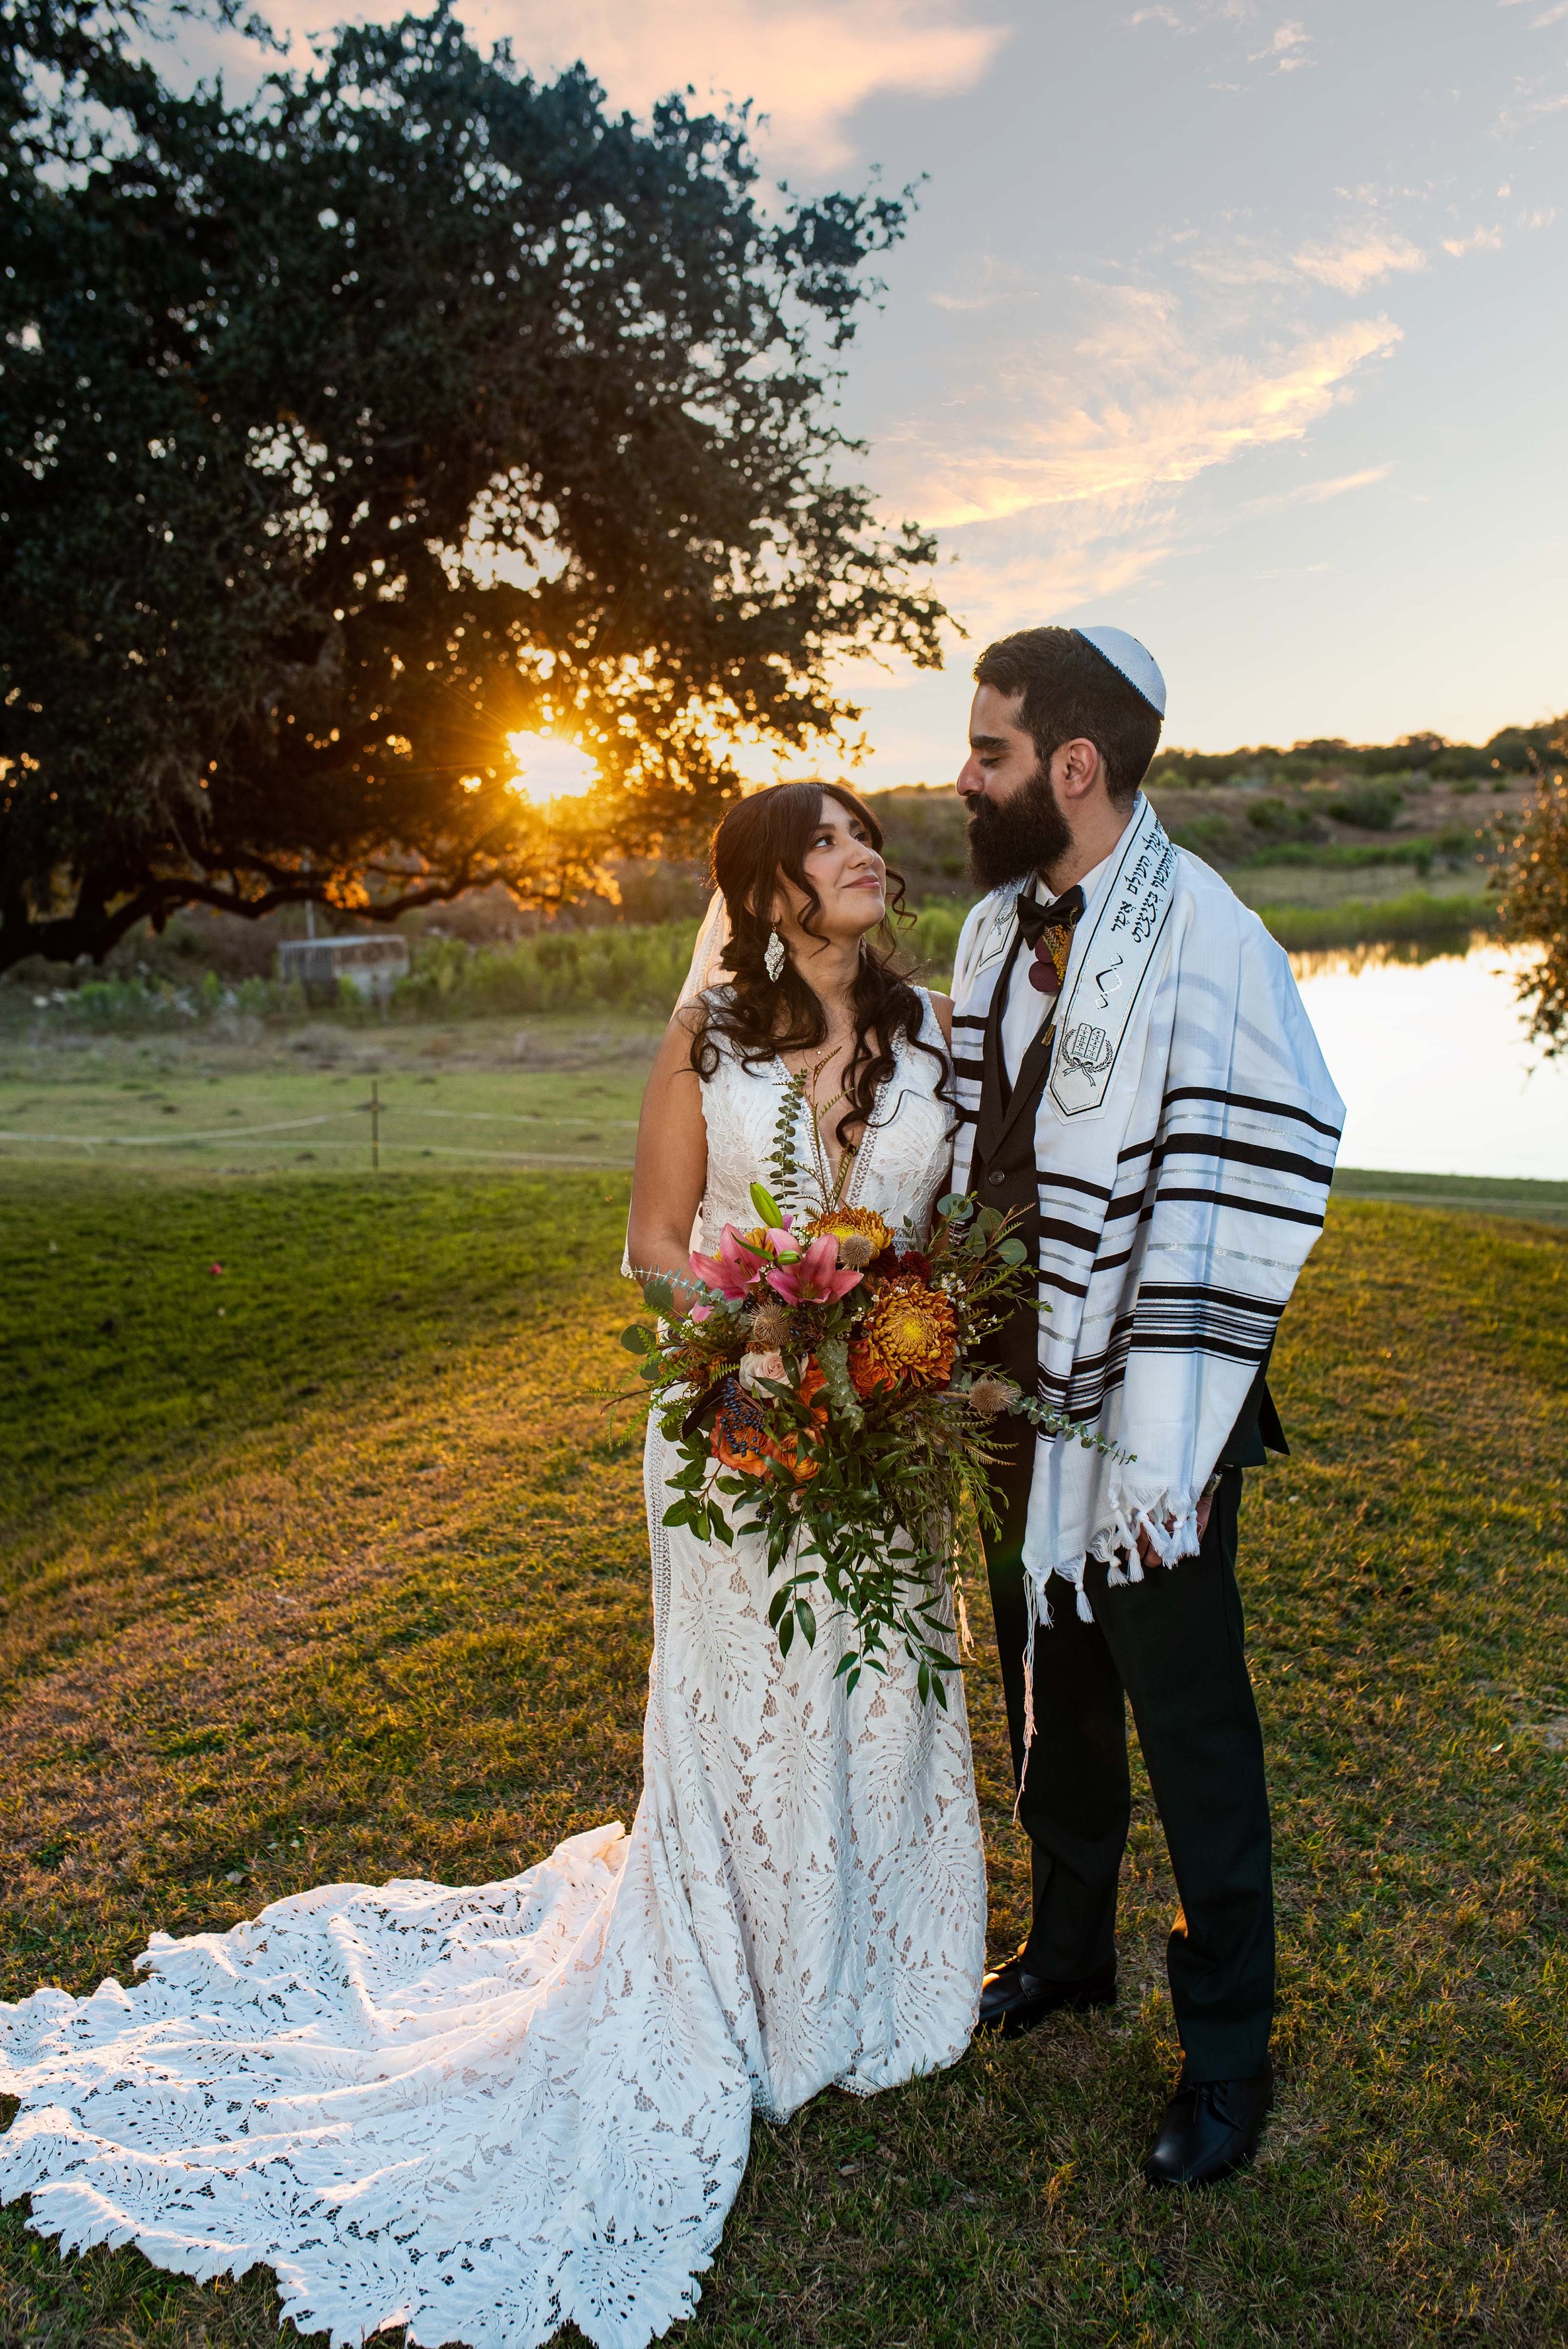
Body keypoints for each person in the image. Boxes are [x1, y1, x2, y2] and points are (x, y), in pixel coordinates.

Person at [0, 782, 984, 2349]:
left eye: (867, 830)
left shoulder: (944, 1038)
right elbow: (655, 1240)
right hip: (732, 1424)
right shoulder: (707, 1043)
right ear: (764, 885)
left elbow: (948, 1235)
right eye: (825, 839)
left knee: (878, 1689)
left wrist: (901, 1351)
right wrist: (754, 1339)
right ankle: (742, 1986)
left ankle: (881, 1978)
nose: (861, 852)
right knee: (747, 1707)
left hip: (890, 1432)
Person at [948, 625, 1343, 2188]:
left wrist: (1155, 1400)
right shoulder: (989, 930)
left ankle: (1228, 2057)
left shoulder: (1214, 939)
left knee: (1190, 1729)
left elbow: (1273, 1145)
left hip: (1152, 1416)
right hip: (998, 1399)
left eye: (985, 750)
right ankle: (1066, 1950)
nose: (961, 775)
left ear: (1072, 766)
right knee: (1046, 1682)